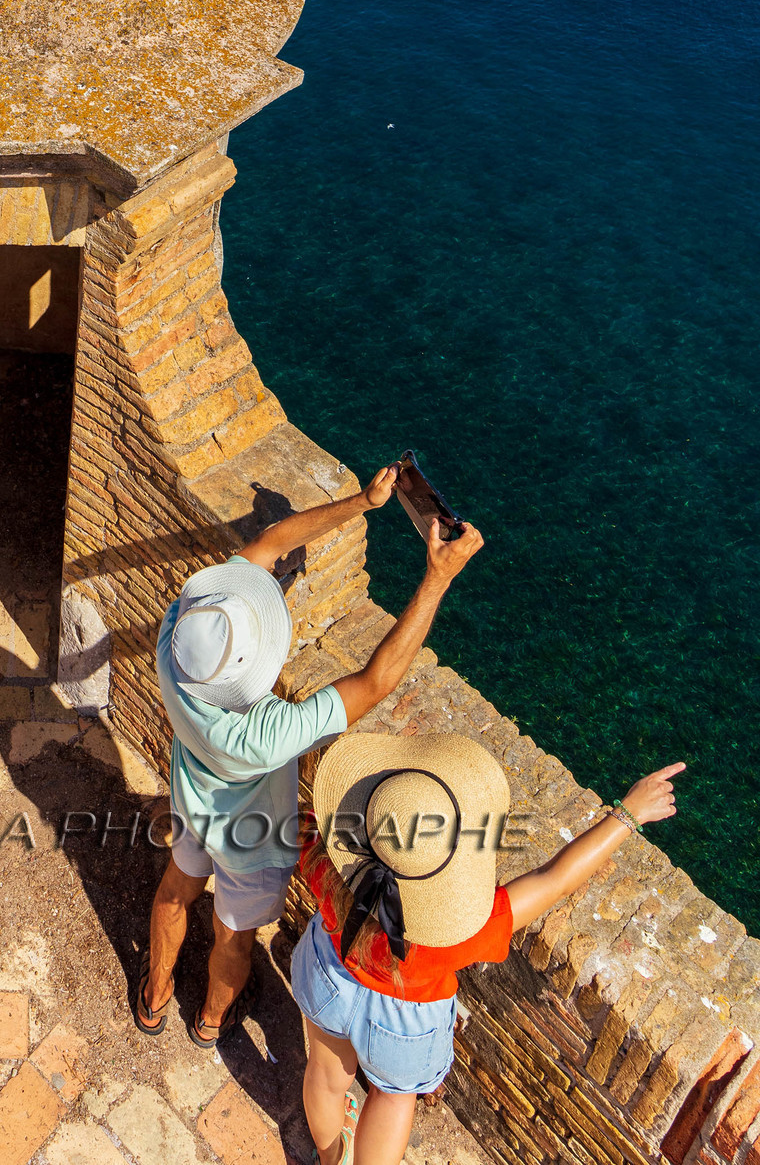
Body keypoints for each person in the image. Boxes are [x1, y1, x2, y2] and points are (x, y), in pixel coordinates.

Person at [137, 467, 484, 1046]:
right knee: (232, 935)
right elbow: (375, 682)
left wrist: (365, 502)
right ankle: (209, 1023)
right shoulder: (262, 734)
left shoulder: (179, 640)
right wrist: (437, 579)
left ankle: (153, 997)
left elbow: (270, 543)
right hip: (248, 839)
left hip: (191, 804)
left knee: (175, 891)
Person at [295, 733, 685, 1165]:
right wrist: (628, 814)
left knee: (327, 1075)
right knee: (391, 1100)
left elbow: (311, 823)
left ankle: (329, 1158)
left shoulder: (326, 853)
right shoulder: (466, 929)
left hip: (327, 971)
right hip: (403, 1020)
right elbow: (553, 879)